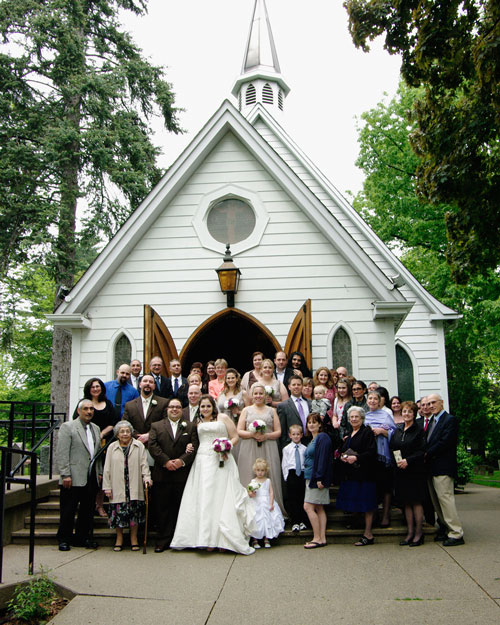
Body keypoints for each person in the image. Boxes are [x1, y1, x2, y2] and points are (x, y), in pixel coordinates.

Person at [171, 395, 256, 554]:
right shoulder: (198, 422)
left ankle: (223, 539)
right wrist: (189, 444)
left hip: (221, 459)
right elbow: (194, 439)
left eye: (208, 406)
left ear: (213, 406)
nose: (205, 409)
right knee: (205, 497)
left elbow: (235, 436)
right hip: (203, 461)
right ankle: (205, 538)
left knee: (221, 496)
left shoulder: (223, 417)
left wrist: (226, 446)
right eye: (202, 407)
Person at [148, 397, 199, 552]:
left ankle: (179, 539)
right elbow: (152, 445)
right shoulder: (156, 426)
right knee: (162, 509)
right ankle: (162, 540)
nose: (175, 409)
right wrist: (166, 461)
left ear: (181, 410)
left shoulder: (190, 426)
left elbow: (195, 446)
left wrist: (181, 461)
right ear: (167, 409)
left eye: (178, 407)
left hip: (182, 474)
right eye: (172, 407)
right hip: (162, 474)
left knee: (179, 508)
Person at [56, 399, 102, 551]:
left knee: (87, 510)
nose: (89, 412)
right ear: (79, 411)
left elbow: (96, 454)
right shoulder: (68, 427)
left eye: (91, 409)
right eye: (86, 409)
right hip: (73, 476)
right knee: (68, 510)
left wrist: (99, 472)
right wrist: (65, 474)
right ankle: (64, 538)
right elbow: (62, 452)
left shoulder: (95, 428)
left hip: (90, 476)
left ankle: (82, 537)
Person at [102, 420, 152, 551]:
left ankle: (133, 539)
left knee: (134, 513)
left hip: (134, 483)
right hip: (117, 484)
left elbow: (144, 464)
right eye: (122, 431)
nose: (125, 434)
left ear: (131, 433)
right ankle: (119, 539)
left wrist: (147, 478)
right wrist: (107, 486)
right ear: (117, 434)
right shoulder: (112, 447)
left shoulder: (138, 446)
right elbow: (107, 468)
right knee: (118, 513)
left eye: (127, 431)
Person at [73, 377, 117, 518]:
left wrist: (101, 434)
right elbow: (76, 422)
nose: (96, 389)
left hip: (104, 444)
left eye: (98, 386)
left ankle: (99, 505)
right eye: (93, 387)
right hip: (86, 445)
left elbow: (113, 422)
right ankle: (85, 505)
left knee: (102, 476)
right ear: (88, 389)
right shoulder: (83, 404)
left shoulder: (108, 404)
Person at [237, 383, 284, 513]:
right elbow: (239, 431)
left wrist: (266, 435)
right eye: (255, 393)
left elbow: (278, 431)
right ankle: (248, 511)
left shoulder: (272, 411)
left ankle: (272, 509)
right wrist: (252, 434)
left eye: (260, 393)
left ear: (265, 395)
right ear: (252, 395)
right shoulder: (246, 410)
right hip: (249, 446)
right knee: (247, 475)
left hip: (268, 446)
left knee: (271, 474)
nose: (258, 396)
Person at [425, 393, 464, 546]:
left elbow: (445, 442)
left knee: (446, 500)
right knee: (437, 502)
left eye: (433, 402)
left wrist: (427, 453)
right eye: (428, 404)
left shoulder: (449, 420)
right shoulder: (432, 421)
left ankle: (456, 533)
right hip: (431, 468)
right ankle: (445, 528)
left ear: (441, 403)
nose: (430, 406)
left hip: (443, 467)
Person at [336, 406, 378, 546]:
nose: (353, 419)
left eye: (356, 417)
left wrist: (357, 458)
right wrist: (342, 456)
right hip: (351, 474)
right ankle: (356, 525)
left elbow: (372, 452)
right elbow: (343, 450)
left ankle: (368, 534)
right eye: (351, 417)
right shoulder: (349, 433)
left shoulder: (367, 432)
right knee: (355, 501)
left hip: (365, 474)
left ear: (362, 418)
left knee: (367, 504)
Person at [389, 401, 426, 546]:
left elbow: (421, 451)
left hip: (414, 470)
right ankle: (409, 532)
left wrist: (408, 461)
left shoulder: (419, 430)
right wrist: (399, 461)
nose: (406, 414)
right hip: (401, 470)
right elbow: (393, 447)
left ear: (414, 414)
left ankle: (418, 533)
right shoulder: (398, 430)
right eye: (404, 411)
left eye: (409, 412)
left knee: (415, 501)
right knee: (406, 503)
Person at [365, 390, 397, 527]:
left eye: (375, 399)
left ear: (379, 401)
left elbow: (394, 433)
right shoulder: (364, 416)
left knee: (385, 487)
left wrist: (382, 432)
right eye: (370, 398)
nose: (372, 401)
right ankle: (374, 515)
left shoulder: (386, 415)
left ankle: (385, 515)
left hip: (383, 457)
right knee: (372, 488)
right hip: (369, 457)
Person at [303, 413, 332, 549]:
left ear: (320, 424)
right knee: (319, 507)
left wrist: (320, 477)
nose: (311, 425)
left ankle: (317, 537)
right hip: (310, 476)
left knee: (308, 507)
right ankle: (322, 538)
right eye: (309, 422)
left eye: (314, 422)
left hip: (316, 478)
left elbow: (323, 459)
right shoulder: (312, 439)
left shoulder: (323, 437)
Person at [248, 458, 284, 548]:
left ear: (266, 471)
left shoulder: (268, 481)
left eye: (262, 470)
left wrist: (271, 503)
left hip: (266, 501)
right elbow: (249, 493)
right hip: (256, 502)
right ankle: (255, 540)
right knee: (257, 520)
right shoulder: (253, 481)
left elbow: (271, 492)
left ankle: (266, 538)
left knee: (268, 519)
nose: (260, 472)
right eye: (258, 470)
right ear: (255, 470)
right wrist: (252, 493)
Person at [281, 424, 308, 532]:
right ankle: (295, 522)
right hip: (292, 474)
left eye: (298, 434)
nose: (296, 436)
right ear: (290, 435)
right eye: (294, 434)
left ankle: (302, 521)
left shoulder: (305, 449)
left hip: (302, 474)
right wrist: (286, 477)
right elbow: (284, 464)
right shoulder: (286, 449)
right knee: (292, 499)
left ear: (301, 435)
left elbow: (306, 463)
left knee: (302, 498)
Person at [277, 375, 311, 449]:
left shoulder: (310, 403)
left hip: (309, 442)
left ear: (302, 386)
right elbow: (282, 430)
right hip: (291, 444)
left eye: (299, 384)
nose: (296, 387)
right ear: (289, 387)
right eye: (294, 385)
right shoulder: (283, 406)